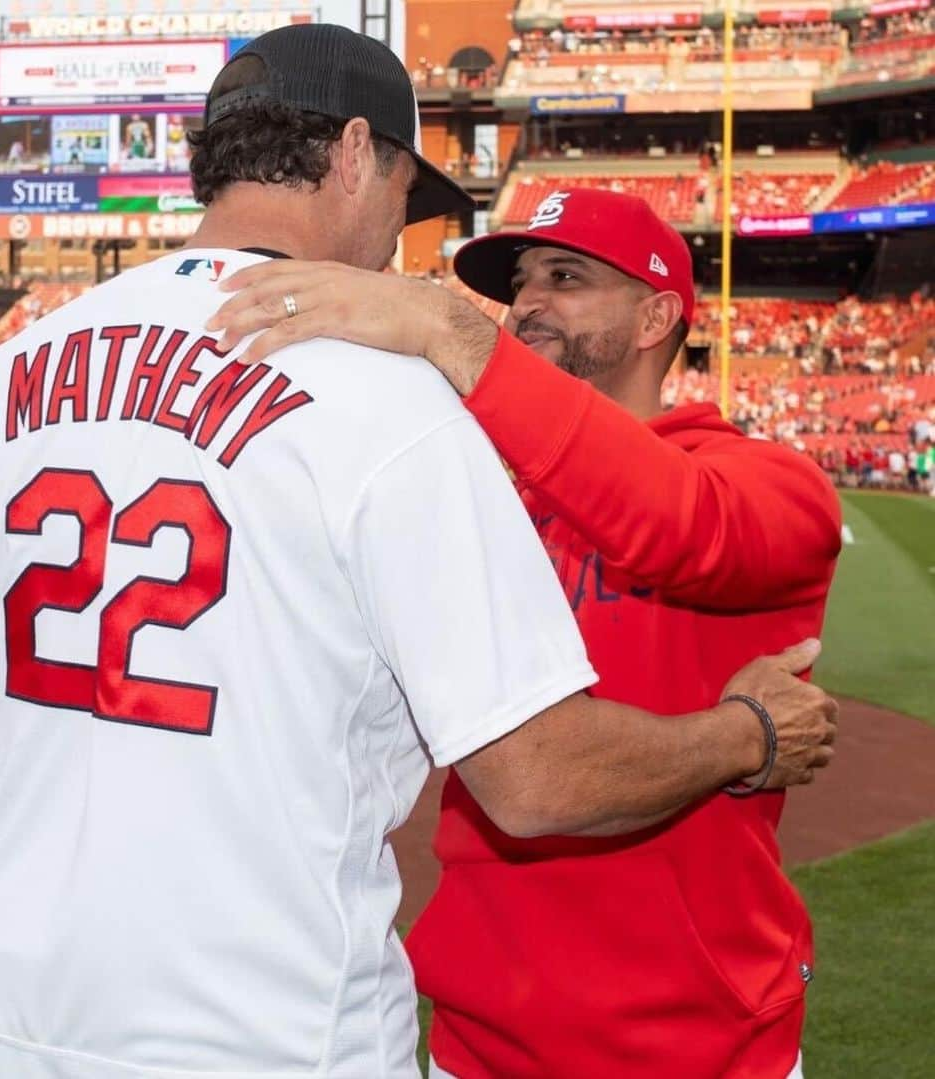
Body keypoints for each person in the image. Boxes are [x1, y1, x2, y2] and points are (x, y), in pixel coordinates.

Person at [0, 31, 835, 1079]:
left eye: (567, 277)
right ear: (359, 154)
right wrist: (746, 735)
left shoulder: (11, 372)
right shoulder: (392, 406)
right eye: (408, 195)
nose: (397, 240)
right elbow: (537, 777)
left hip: (21, 1018)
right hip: (284, 1030)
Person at [205, 187, 843, 1078]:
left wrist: (454, 335)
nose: (529, 302)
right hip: (482, 1043)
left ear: (659, 314)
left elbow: (679, 523)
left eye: (567, 277)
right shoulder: (485, 489)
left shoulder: (772, 484)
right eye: (521, 284)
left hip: (702, 1042)